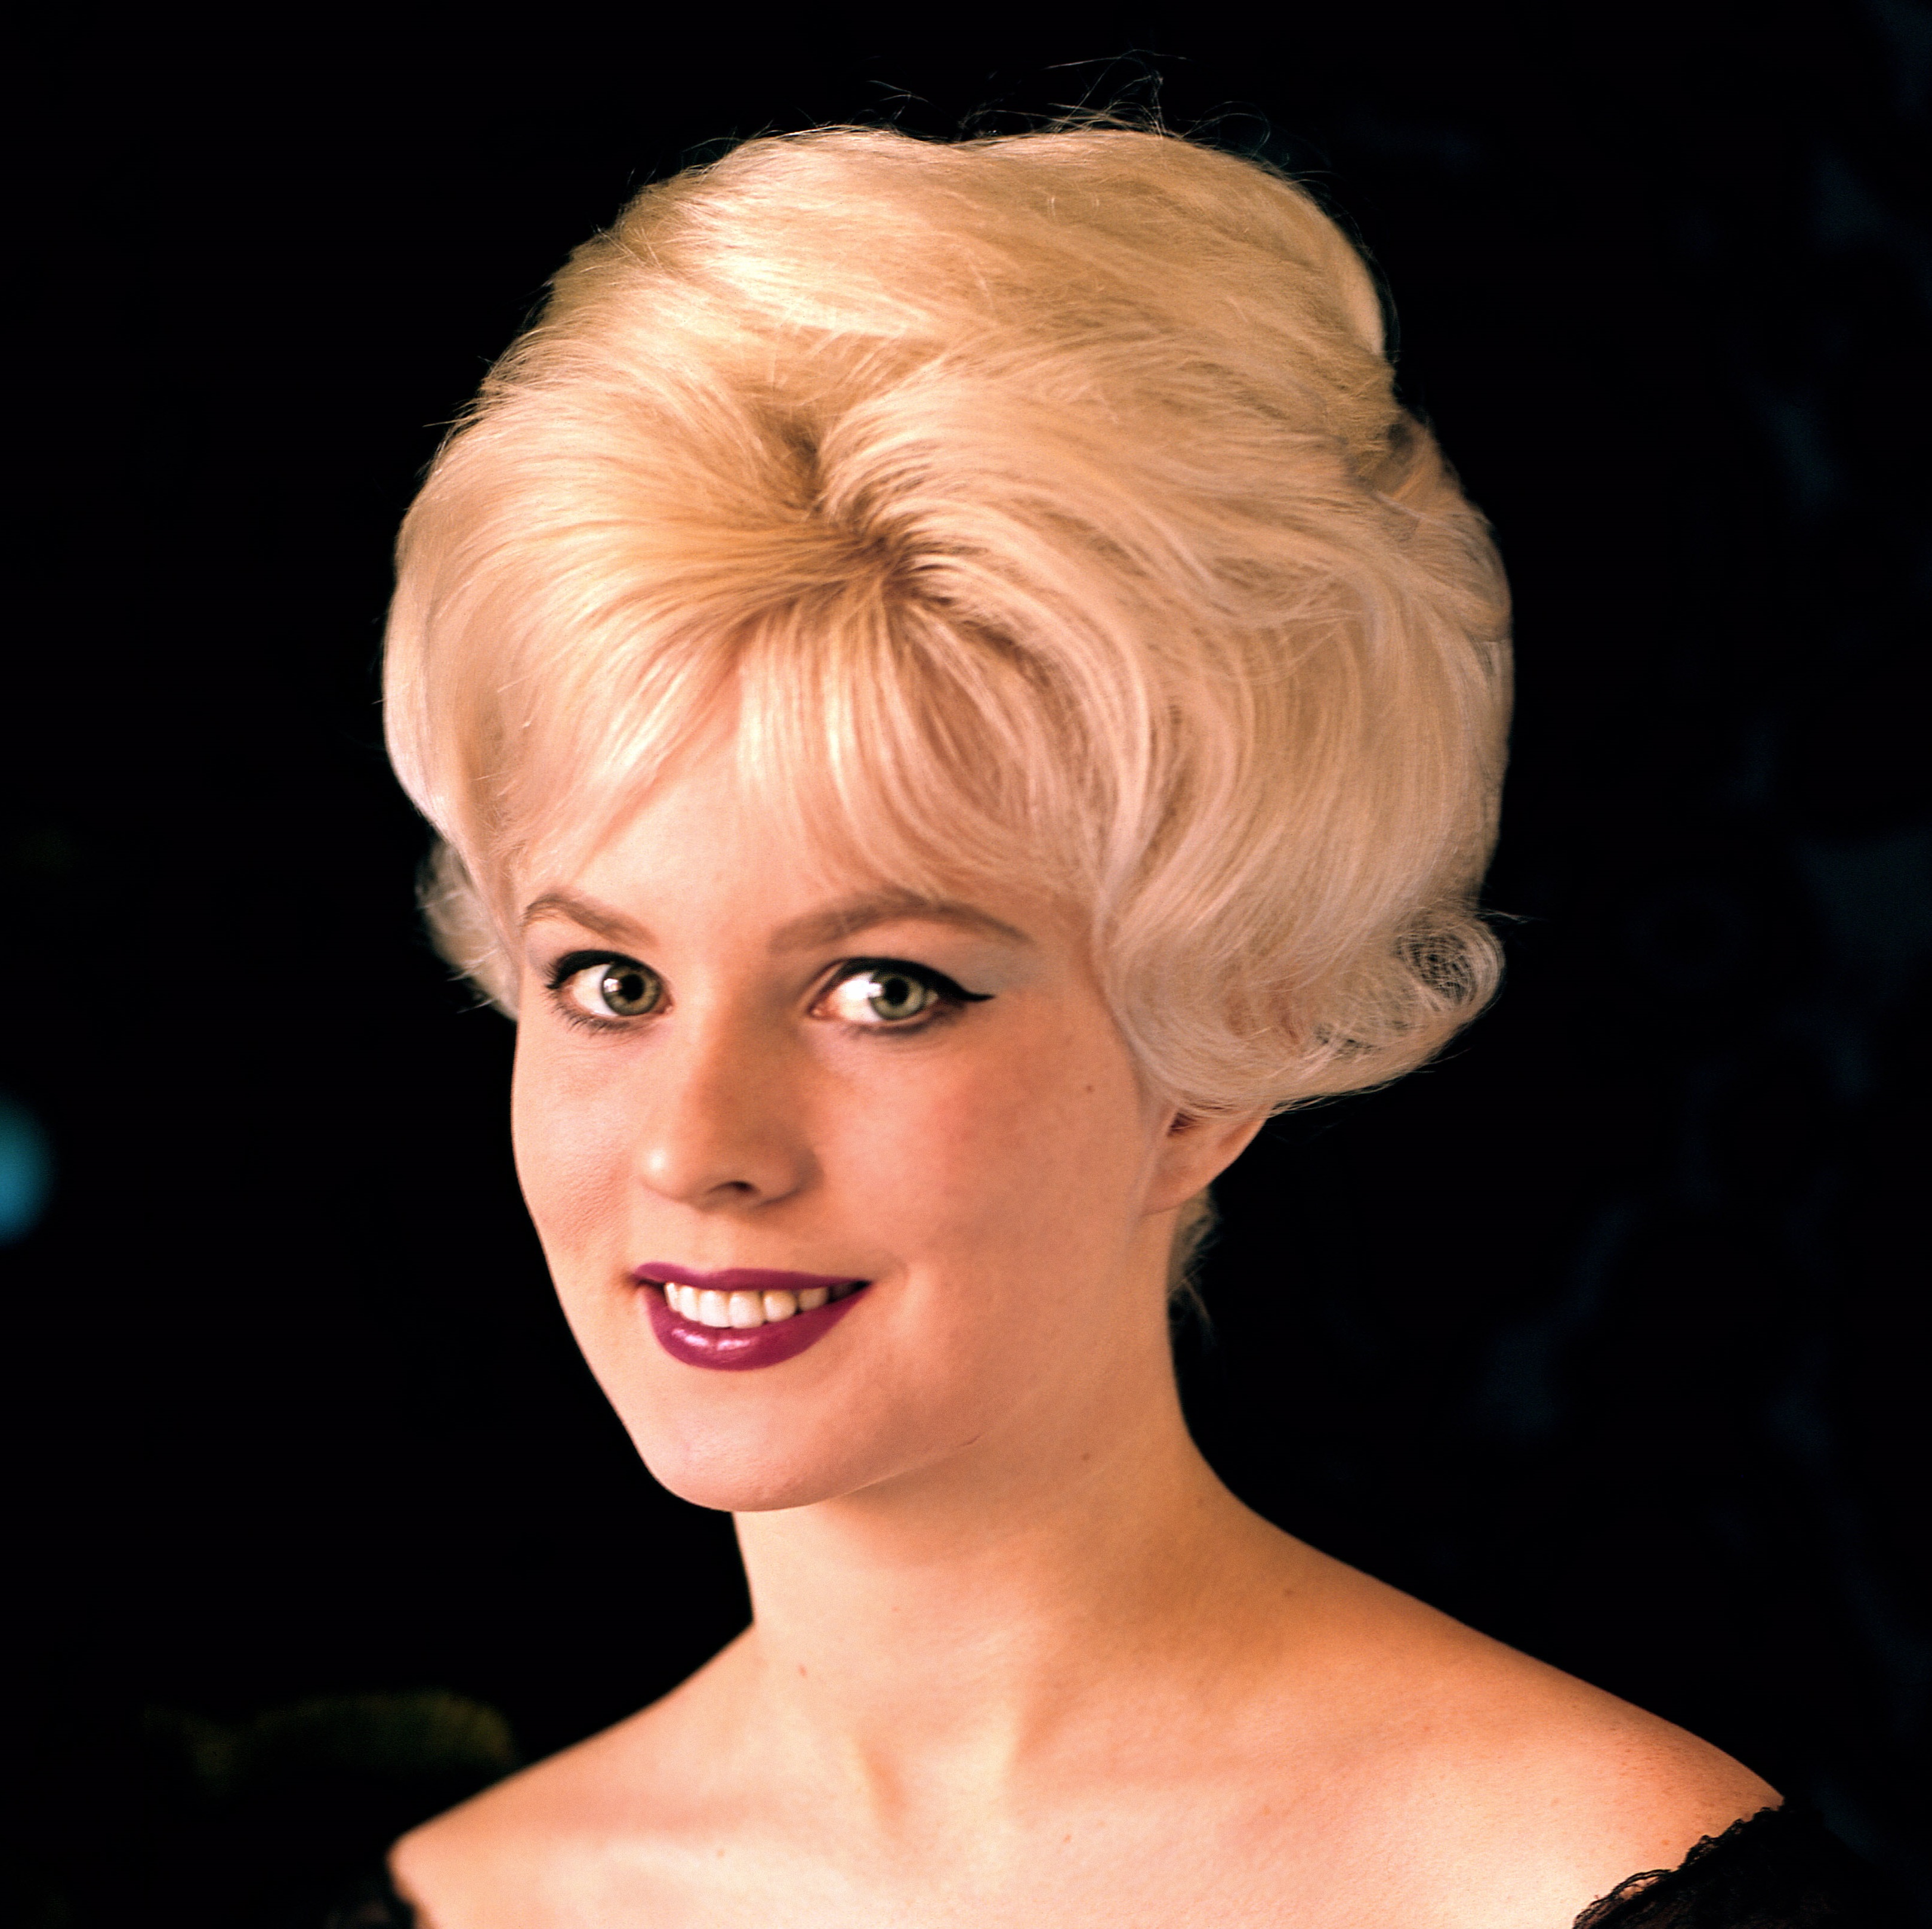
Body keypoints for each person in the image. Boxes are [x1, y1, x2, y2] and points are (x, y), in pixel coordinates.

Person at [362, 124, 1869, 1927]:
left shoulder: (1580, 1884)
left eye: (886, 988)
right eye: (611, 982)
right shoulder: (449, 1901)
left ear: (1217, 1045)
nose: (696, 1147)